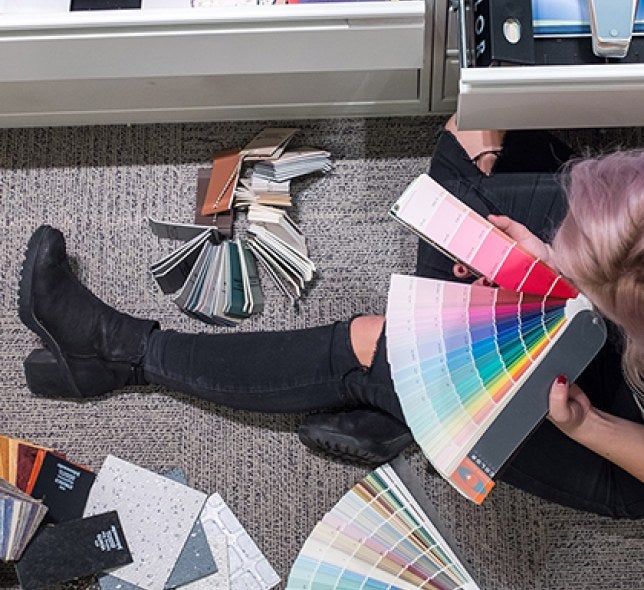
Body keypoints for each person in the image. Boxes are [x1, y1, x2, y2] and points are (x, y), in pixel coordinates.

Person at [17, 116, 644, 519]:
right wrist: (546, 265)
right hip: (609, 300)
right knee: (479, 128)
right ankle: (403, 412)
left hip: (621, 443)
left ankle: (116, 354)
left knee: (381, 344)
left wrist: (588, 425)